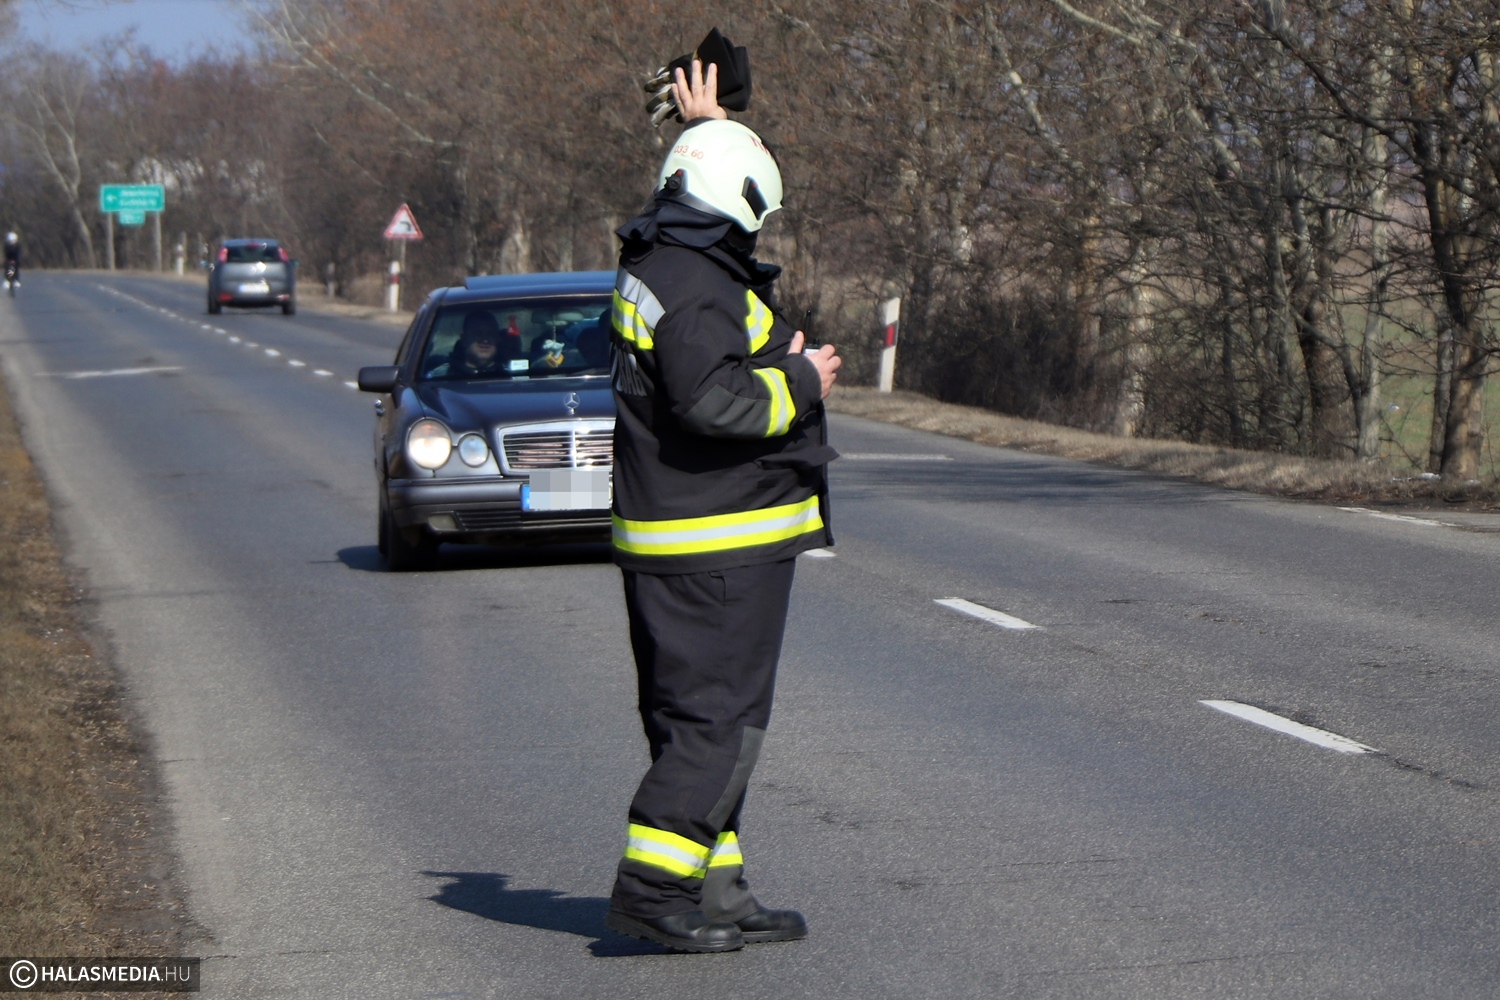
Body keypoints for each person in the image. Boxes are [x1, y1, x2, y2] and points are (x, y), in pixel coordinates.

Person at [603, 58, 842, 954]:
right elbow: (713, 401)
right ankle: (650, 892)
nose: (757, 228)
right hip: (717, 547)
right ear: (732, 196)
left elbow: (694, 199)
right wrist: (802, 380)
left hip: (677, 537)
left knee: (690, 721)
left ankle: (716, 887)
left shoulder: (659, 258)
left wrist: (703, 128)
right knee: (717, 726)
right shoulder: (699, 286)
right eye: (755, 211)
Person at [425, 311, 512, 377]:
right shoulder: (439, 376)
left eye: (490, 334)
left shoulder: (511, 376)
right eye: (478, 334)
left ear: (497, 339)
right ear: (464, 339)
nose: (485, 340)